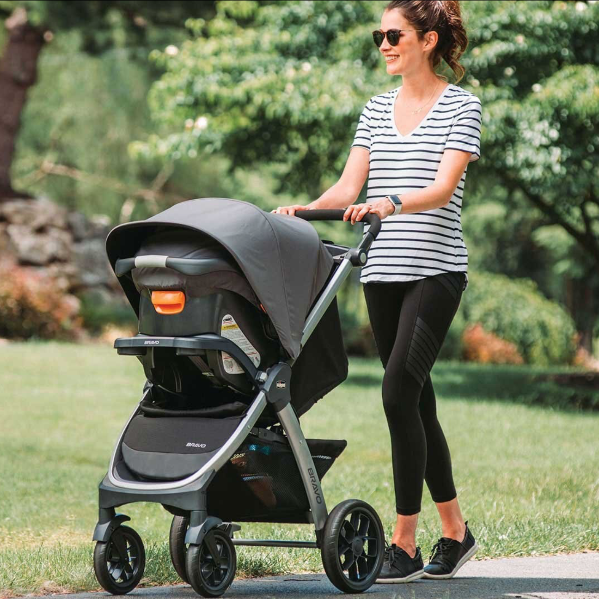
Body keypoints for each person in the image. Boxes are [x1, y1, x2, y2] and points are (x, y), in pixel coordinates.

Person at [273, 0, 481, 584]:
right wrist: (305, 210)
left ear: (429, 40)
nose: (384, 44)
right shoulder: (374, 108)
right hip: (381, 270)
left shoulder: (461, 107)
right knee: (417, 402)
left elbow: (442, 189)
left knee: (396, 394)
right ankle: (456, 533)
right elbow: (349, 186)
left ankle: (404, 543)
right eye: (379, 36)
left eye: (394, 34)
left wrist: (390, 202)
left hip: (435, 272)